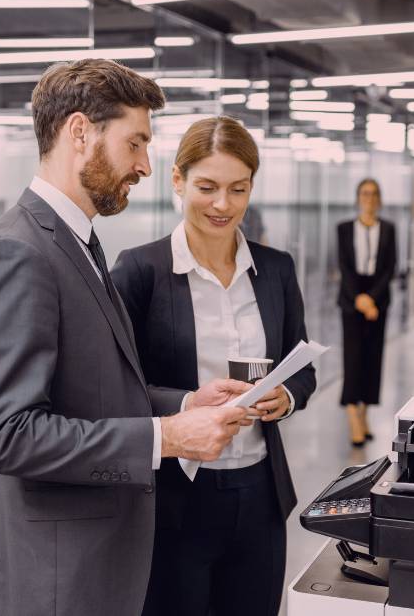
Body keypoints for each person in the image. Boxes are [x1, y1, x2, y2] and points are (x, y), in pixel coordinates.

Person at [0, 61, 255, 616]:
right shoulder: (17, 253)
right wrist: (167, 437)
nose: (144, 165)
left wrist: (186, 405)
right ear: (79, 132)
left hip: (89, 570)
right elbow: (12, 435)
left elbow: (93, 391)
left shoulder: (80, 244)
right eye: (135, 143)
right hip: (47, 581)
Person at [112, 116, 317, 616]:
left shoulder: (275, 269)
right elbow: (116, 385)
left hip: (260, 493)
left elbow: (303, 366)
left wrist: (285, 396)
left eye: (237, 189)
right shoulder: (140, 272)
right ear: (177, 181)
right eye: (206, 187)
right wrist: (186, 404)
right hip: (175, 499)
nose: (222, 205)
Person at [336, 178, 397, 446]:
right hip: (351, 297)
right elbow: (344, 266)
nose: (369, 198)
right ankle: (352, 418)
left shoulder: (389, 229)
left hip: (378, 298)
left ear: (379, 198)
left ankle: (364, 414)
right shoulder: (344, 228)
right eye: (364, 193)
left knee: (373, 357)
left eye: (373, 194)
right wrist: (359, 298)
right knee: (353, 357)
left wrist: (372, 299)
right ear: (358, 197)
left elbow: (389, 268)